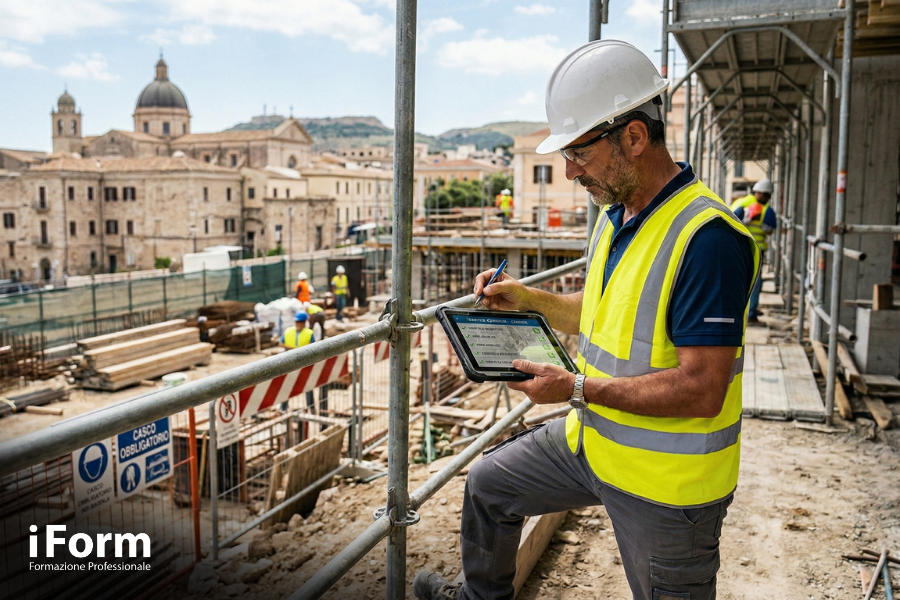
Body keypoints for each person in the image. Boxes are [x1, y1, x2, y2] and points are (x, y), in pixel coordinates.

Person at [413, 40, 758, 600]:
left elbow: (702, 391)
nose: (570, 171)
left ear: (634, 137)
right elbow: (598, 312)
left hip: (667, 485)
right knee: (487, 485)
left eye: (580, 154)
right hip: (593, 443)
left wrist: (574, 387)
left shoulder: (707, 239)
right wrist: (527, 299)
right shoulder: (616, 214)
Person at [733, 179, 776, 324]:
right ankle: (751, 314)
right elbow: (768, 230)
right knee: (755, 283)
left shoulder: (740, 202)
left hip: (737, 247)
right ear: (765, 195)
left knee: (737, 280)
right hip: (756, 250)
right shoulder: (766, 209)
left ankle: (735, 312)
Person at [280, 310, 316, 411]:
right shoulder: (288, 331)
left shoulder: (309, 333)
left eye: (300, 322)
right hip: (291, 364)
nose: (298, 324)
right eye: (297, 322)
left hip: (304, 365)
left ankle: (311, 407)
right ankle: (283, 408)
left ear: (304, 322)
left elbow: (314, 348)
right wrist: (294, 350)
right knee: (287, 386)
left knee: (308, 386)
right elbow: (280, 344)